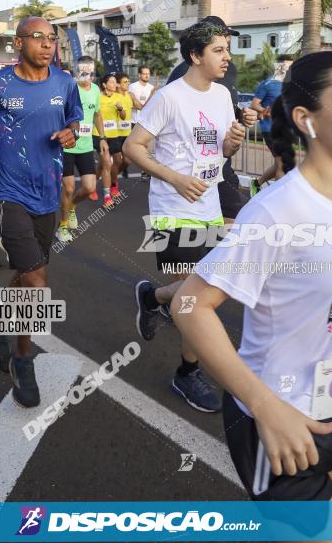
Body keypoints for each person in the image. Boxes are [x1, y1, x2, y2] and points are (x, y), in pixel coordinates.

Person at [172, 51, 332, 505]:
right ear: (306, 120)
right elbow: (189, 306)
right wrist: (266, 408)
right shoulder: (278, 210)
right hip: (281, 417)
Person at [0, 16, 83, 408]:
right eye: (39, 38)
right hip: (7, 192)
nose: (48, 45)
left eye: (52, 39)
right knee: (38, 284)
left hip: (47, 194)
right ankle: (23, 358)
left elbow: (75, 119)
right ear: (18, 42)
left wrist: (71, 132)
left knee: (27, 275)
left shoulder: (65, 82)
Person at [124, 21, 246, 412]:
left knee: (197, 292)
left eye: (227, 49)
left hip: (208, 205)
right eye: (219, 50)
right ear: (195, 56)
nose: (227, 57)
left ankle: (153, 296)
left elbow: (219, 152)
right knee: (197, 297)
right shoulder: (169, 98)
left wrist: (231, 143)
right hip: (172, 208)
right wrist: (174, 178)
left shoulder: (224, 95)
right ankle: (187, 373)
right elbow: (133, 147)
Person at [166, 16, 256, 223]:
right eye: (220, 40)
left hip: (220, 160)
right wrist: (173, 177)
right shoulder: (182, 74)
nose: (227, 48)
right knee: (216, 222)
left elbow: (221, 106)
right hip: (191, 164)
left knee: (238, 215)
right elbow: (175, 114)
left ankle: (215, 252)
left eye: (227, 40)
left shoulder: (227, 68)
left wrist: (241, 115)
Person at [56, 56, 108, 243]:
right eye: (84, 72)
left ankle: (71, 207)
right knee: (68, 189)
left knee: (89, 188)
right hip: (67, 147)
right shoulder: (68, 90)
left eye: (91, 73)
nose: (88, 76)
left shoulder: (95, 90)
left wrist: (102, 138)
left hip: (86, 147)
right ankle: (62, 227)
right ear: (77, 72)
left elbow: (97, 114)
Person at [249, 56, 293, 195]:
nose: (288, 69)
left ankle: (256, 183)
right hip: (270, 129)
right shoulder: (267, 83)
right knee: (282, 164)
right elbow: (254, 104)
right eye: (286, 66)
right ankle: (279, 198)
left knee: (278, 164)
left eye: (290, 66)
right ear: (278, 66)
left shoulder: (289, 84)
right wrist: (265, 111)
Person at [92, 74, 125, 206]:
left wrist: (120, 109)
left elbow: (123, 117)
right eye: (111, 82)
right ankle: (107, 196)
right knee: (106, 163)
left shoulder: (119, 97)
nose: (114, 84)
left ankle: (94, 184)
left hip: (114, 135)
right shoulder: (97, 97)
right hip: (99, 135)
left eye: (115, 82)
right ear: (104, 85)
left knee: (116, 161)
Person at [115, 73, 133, 180]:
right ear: (118, 84)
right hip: (116, 134)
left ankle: (114, 174)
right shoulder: (114, 97)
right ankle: (112, 180)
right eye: (125, 82)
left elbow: (141, 106)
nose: (128, 83)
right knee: (116, 160)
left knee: (128, 160)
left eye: (128, 81)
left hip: (127, 133)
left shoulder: (130, 95)